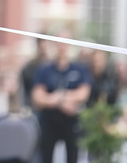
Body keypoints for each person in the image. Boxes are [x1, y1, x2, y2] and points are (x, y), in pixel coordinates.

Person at [31, 33, 92, 163]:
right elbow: (37, 97)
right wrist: (61, 103)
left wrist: (57, 97)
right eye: (59, 42)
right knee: (46, 157)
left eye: (65, 42)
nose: (62, 46)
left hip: (71, 121)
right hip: (49, 121)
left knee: (72, 157)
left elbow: (83, 94)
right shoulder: (45, 69)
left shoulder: (79, 69)